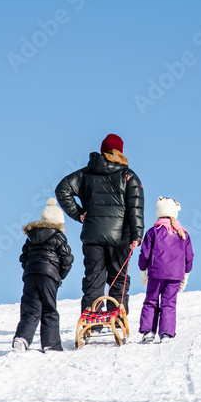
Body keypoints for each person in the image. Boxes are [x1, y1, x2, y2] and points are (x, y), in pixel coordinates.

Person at [56, 133, 144, 315]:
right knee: (118, 278)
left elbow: (62, 189)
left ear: (103, 150)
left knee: (94, 278)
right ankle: (116, 316)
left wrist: (80, 214)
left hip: (93, 236)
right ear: (120, 152)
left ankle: (91, 318)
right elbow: (135, 208)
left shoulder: (85, 173)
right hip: (121, 237)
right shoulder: (128, 176)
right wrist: (137, 235)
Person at [13, 199, 74, 352]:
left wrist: (29, 270)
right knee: (49, 309)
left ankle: (22, 339)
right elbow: (67, 258)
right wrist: (60, 275)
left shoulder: (31, 237)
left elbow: (23, 257)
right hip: (49, 276)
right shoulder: (58, 236)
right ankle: (51, 344)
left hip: (30, 276)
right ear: (59, 221)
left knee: (30, 309)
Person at [138, 197, 194, 343]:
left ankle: (148, 332)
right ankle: (166, 334)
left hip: (156, 273)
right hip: (175, 275)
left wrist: (143, 271)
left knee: (151, 301)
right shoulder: (183, 233)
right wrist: (185, 274)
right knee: (169, 303)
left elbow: (145, 254)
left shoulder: (153, 231)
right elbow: (189, 257)